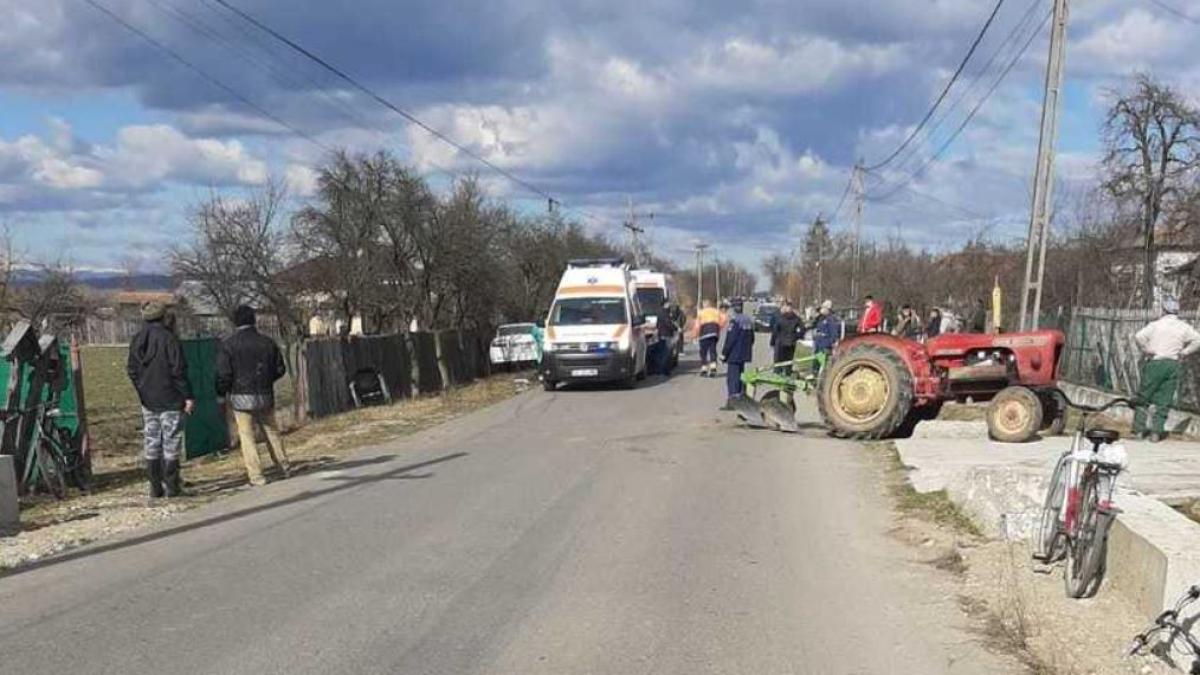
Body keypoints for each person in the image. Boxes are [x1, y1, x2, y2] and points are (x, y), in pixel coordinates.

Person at [217, 305, 292, 486]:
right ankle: (284, 466)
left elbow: (223, 374)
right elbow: (280, 369)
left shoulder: (228, 345)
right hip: (265, 393)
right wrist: (267, 379)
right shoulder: (267, 342)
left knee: (246, 436)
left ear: (235, 322)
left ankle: (257, 476)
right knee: (271, 431)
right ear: (254, 320)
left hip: (240, 396)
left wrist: (222, 392)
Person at [127, 302, 194, 499]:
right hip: (171, 396)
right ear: (163, 316)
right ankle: (172, 486)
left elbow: (131, 369)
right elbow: (178, 369)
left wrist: (142, 389)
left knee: (152, 440)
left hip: (148, 399)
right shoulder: (168, 338)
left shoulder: (137, 339)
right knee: (171, 440)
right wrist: (187, 395)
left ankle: (155, 487)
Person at [1132, 298, 1200, 442]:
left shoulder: (1156, 325)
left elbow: (1138, 336)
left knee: (1144, 397)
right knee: (1164, 399)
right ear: (1177, 312)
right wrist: (1185, 352)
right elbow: (1197, 340)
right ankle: (1156, 432)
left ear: (1164, 310)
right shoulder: (1183, 327)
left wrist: (1146, 349)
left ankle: (1139, 430)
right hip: (1173, 364)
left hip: (1156, 362)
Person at [720, 300, 755, 409]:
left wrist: (724, 353)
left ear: (733, 308)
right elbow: (752, 339)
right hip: (744, 355)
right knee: (740, 378)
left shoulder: (735, 321)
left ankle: (732, 402)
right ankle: (741, 401)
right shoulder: (748, 320)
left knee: (732, 379)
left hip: (734, 355)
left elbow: (730, 339)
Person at [770, 301, 803, 374]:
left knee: (778, 360)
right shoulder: (797, 319)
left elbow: (775, 331)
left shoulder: (781, 318)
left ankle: (778, 374)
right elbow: (802, 330)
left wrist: (772, 342)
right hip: (791, 342)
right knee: (789, 360)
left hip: (780, 342)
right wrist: (797, 336)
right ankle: (788, 373)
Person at [811, 299, 839, 374]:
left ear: (828, 309)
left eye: (823, 308)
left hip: (824, 346)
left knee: (823, 366)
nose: (821, 309)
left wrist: (830, 344)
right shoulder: (821, 318)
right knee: (816, 363)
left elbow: (833, 334)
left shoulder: (831, 319)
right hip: (818, 344)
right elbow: (814, 325)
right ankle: (814, 376)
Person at [697, 300, 722, 378]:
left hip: (704, 333)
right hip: (714, 333)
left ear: (704, 305)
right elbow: (720, 323)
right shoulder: (716, 312)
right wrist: (718, 334)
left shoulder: (701, 312)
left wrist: (695, 335)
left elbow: (697, 325)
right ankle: (713, 369)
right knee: (713, 351)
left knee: (703, 352)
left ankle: (704, 369)